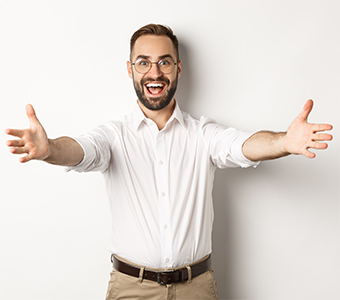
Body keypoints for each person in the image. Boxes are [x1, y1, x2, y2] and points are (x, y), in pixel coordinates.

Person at [5, 24, 333, 300]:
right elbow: (81, 151)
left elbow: (243, 145)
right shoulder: (114, 135)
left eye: (164, 62)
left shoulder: (203, 133)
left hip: (197, 288)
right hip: (130, 289)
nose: (155, 72)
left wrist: (284, 143)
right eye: (144, 62)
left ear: (178, 68)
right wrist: (49, 149)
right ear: (130, 68)